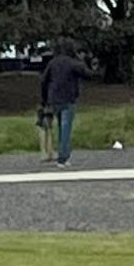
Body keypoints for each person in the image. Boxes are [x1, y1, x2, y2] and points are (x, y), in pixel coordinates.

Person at [39, 37, 94, 168]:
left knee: (60, 126)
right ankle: (63, 158)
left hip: (54, 99)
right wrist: (85, 61)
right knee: (65, 128)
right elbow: (89, 74)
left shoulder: (53, 63)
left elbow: (43, 81)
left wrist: (44, 99)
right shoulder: (73, 63)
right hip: (68, 98)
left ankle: (60, 155)